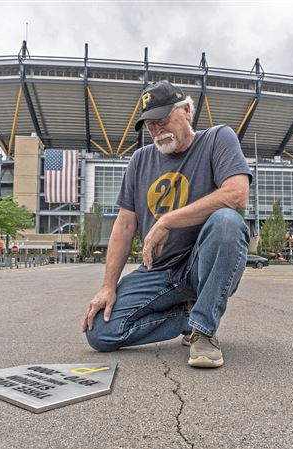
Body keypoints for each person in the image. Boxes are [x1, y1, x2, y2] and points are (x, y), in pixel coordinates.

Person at [82, 80, 252, 368]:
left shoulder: (217, 138)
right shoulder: (140, 160)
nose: (157, 131)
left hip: (201, 267)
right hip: (158, 270)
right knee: (100, 332)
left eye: (162, 120)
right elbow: (125, 225)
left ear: (186, 111)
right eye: (150, 126)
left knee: (227, 221)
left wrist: (169, 219)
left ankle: (204, 331)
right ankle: (189, 317)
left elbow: (236, 194)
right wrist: (107, 287)